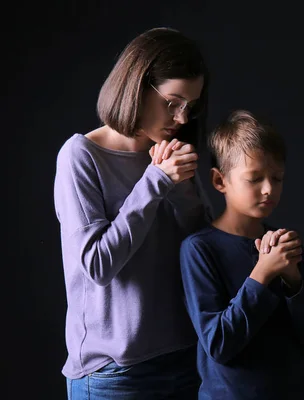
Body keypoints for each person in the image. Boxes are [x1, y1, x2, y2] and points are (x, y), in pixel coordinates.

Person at [54, 27, 216, 399]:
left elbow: (201, 245)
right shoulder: (81, 156)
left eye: (190, 106)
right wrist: (156, 181)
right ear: (137, 87)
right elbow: (97, 265)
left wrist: (182, 187)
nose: (181, 116)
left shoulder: (167, 152)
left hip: (186, 358)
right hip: (115, 374)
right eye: (172, 102)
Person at [179, 109, 304, 399]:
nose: (268, 189)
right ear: (220, 181)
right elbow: (219, 344)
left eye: (277, 177)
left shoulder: (283, 245)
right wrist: (262, 273)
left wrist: (293, 280)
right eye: (254, 178)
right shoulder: (200, 249)